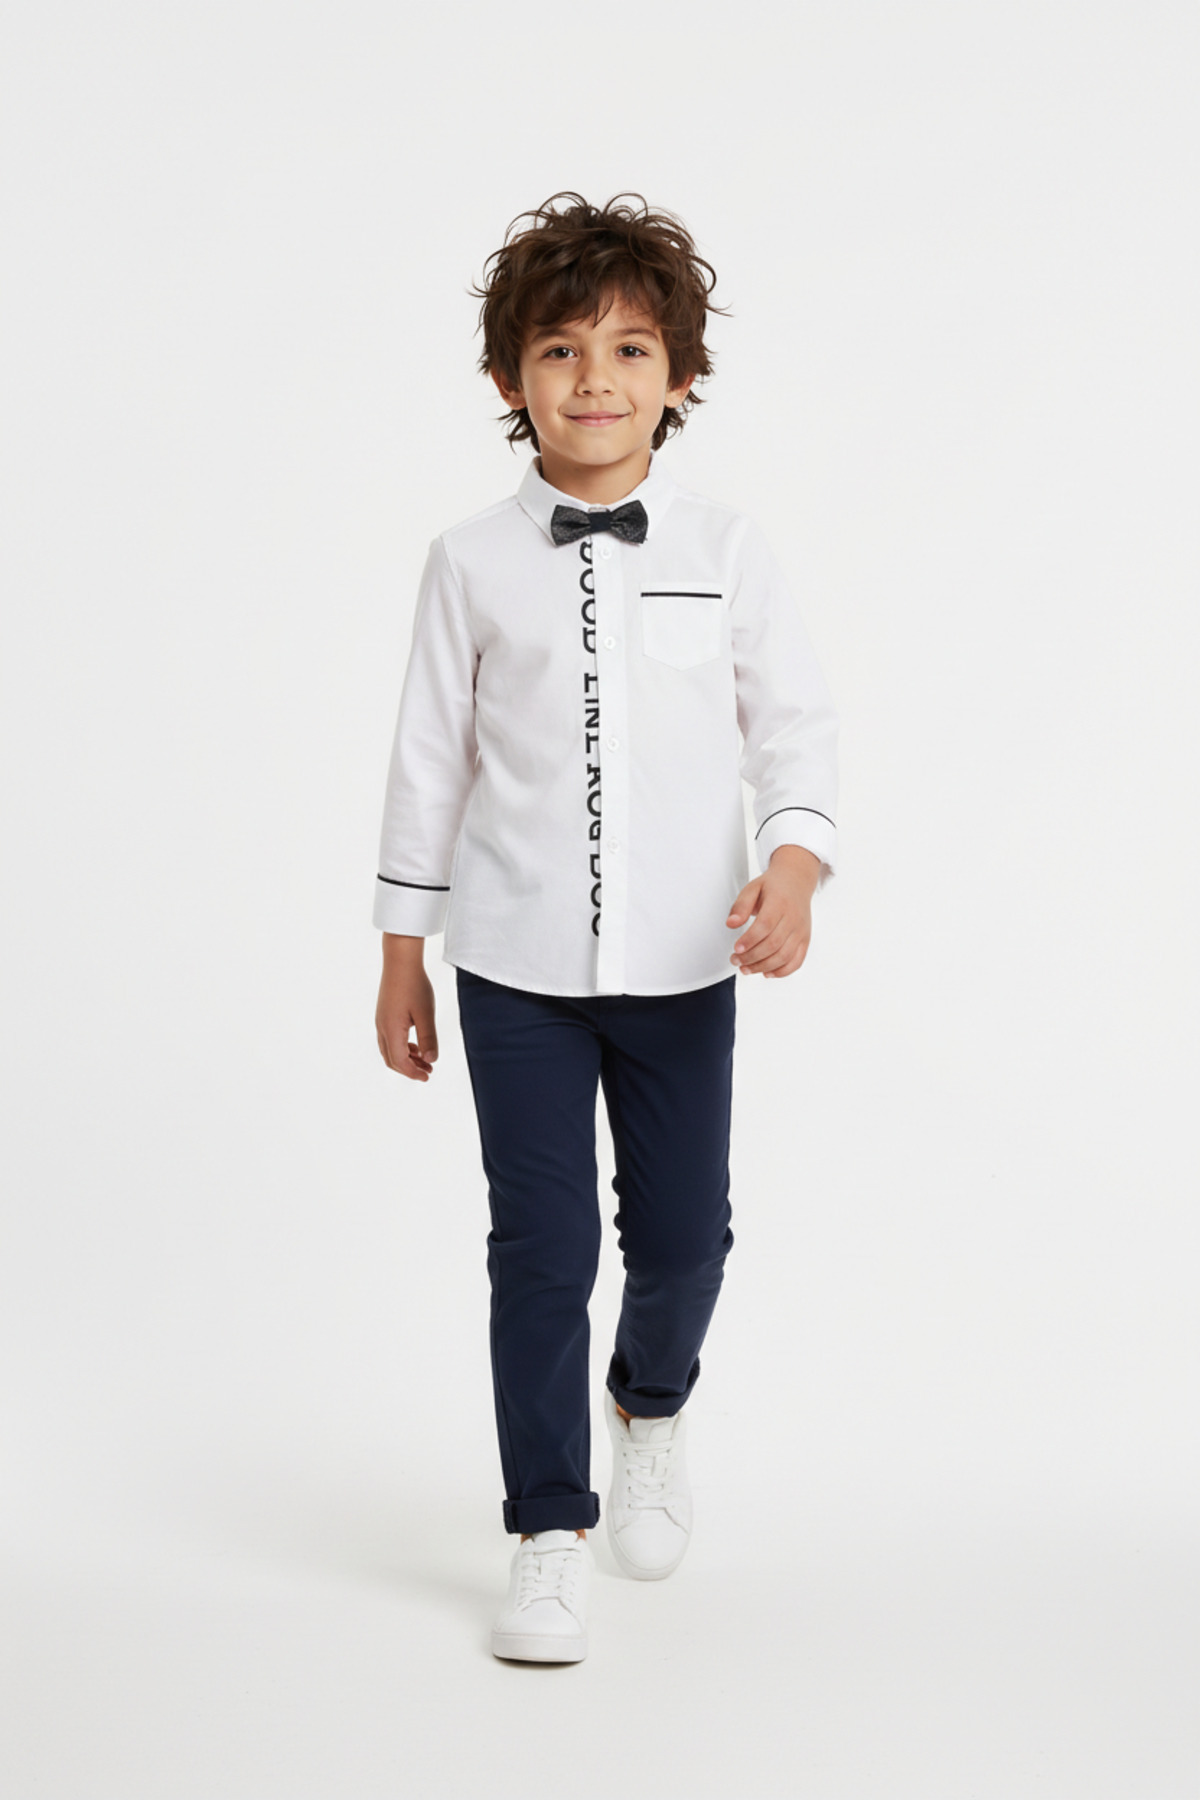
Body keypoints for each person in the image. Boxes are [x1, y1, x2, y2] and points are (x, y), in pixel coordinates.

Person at [372, 191, 839, 1663]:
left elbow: (796, 728)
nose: (594, 379)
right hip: (511, 968)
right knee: (542, 1247)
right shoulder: (467, 562)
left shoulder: (728, 545)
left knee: (685, 1240)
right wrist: (401, 951)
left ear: (679, 375)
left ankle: (650, 1406)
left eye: (630, 348)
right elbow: (428, 763)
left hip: (687, 963)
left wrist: (796, 868)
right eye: (560, 349)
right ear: (509, 377)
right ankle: (547, 1529)